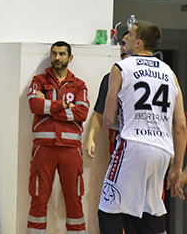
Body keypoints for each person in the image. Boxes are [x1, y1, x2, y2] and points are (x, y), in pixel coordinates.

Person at [99, 20, 187, 233]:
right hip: (163, 151)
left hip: (133, 145)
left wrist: (134, 122)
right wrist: (177, 167)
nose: (126, 38)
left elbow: (109, 119)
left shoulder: (121, 67)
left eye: (129, 35)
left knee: (108, 208)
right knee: (149, 211)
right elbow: (181, 126)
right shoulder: (170, 73)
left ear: (138, 43)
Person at [25, 42, 89, 234]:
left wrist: (51, 108)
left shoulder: (79, 85)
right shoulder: (39, 80)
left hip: (71, 149)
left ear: (70, 58)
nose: (57, 58)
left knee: (74, 198)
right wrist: (64, 105)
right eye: (54, 54)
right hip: (43, 148)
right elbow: (34, 106)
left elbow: (82, 113)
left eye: (62, 54)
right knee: (38, 197)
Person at [83, 31, 129, 160]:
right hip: (120, 140)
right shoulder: (111, 78)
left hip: (147, 141)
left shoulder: (155, 76)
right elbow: (99, 113)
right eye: (122, 43)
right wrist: (90, 138)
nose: (124, 48)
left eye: (128, 43)